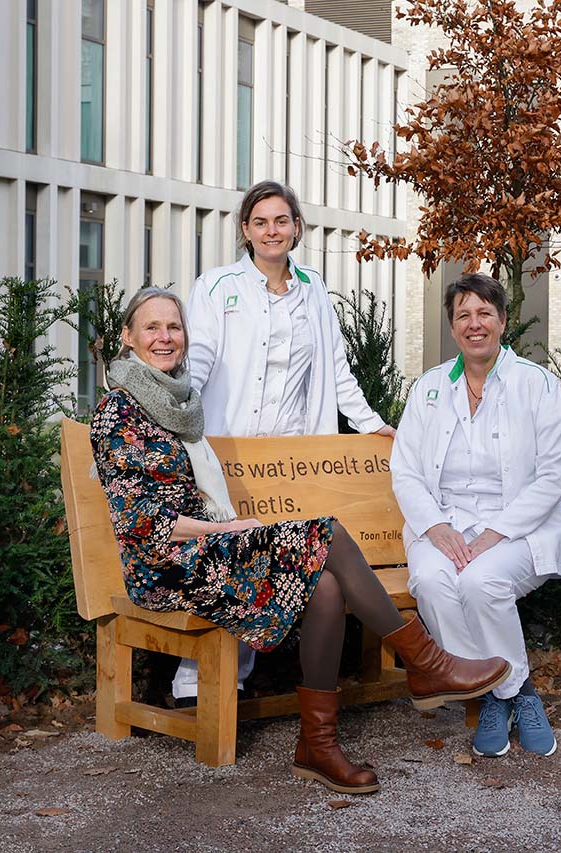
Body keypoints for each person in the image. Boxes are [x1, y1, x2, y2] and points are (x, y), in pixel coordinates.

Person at [90, 287, 509, 794]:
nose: (164, 337)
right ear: (128, 339)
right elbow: (139, 521)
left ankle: (318, 745)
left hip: (202, 554)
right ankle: (425, 663)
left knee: (327, 587)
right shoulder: (119, 411)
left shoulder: (179, 402)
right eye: (152, 328)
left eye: (173, 327)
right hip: (164, 567)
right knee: (325, 532)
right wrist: (225, 530)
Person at [172, 180, 396, 706]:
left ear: (296, 227)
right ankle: (195, 684)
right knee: (229, 556)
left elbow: (336, 368)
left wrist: (370, 423)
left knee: (274, 557)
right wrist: (182, 418)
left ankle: (242, 679)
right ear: (245, 231)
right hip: (231, 449)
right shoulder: (217, 285)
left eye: (281, 220)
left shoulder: (314, 288)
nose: (271, 231)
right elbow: (198, 359)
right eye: (260, 222)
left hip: (294, 456)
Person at [390, 273, 561, 758]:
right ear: (453, 328)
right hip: (444, 525)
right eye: (463, 316)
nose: (475, 325)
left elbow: (554, 475)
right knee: (432, 583)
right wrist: (435, 526)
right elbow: (406, 470)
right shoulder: (430, 388)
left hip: (517, 528)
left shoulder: (537, 386)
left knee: (480, 583)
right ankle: (509, 691)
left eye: (484, 314)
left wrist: (495, 533)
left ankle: (507, 695)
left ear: (503, 321)